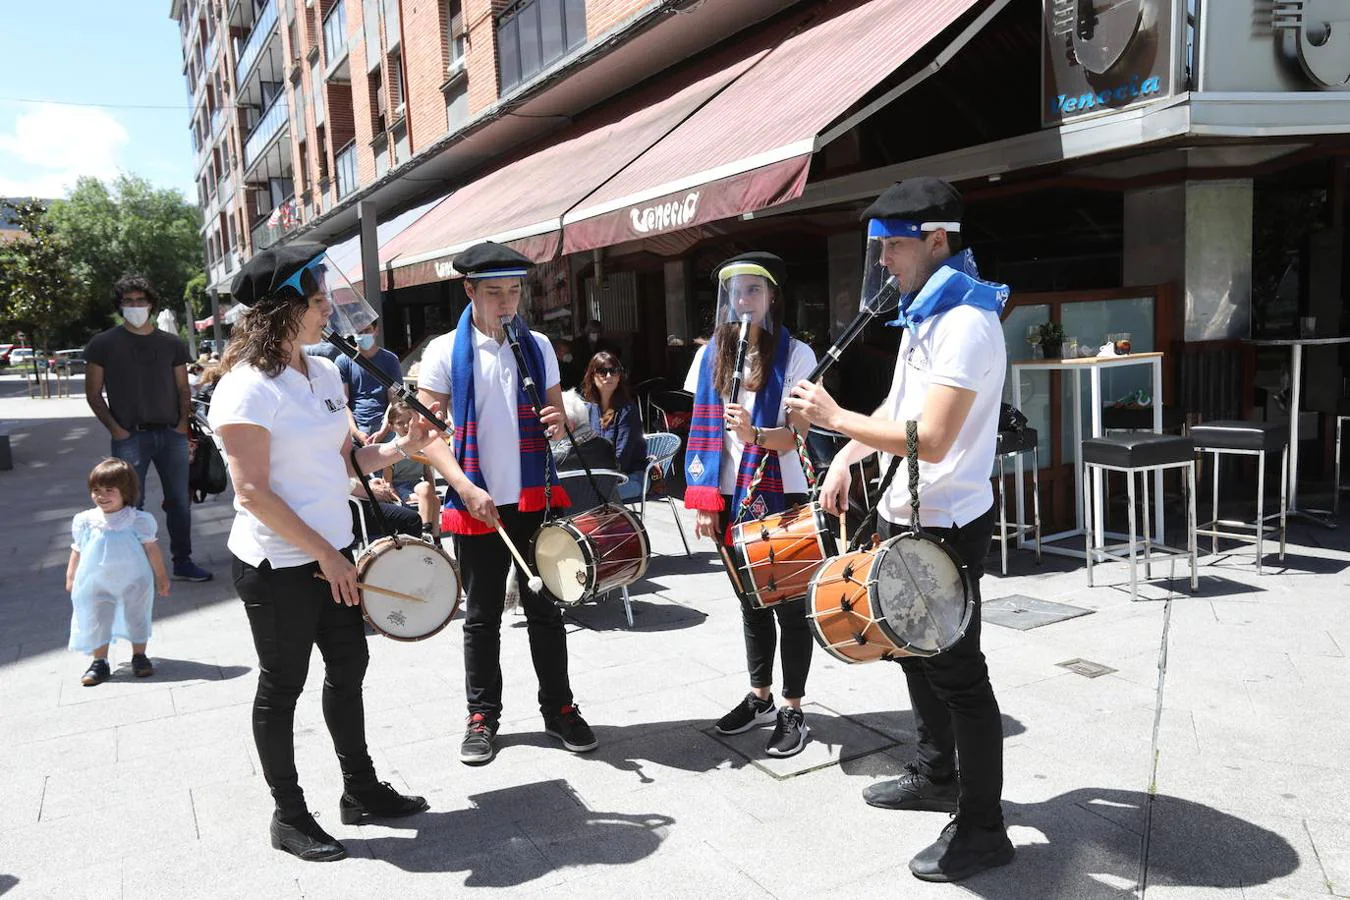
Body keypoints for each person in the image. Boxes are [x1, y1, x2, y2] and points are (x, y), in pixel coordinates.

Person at [785, 177, 1012, 883]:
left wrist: (833, 420)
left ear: (936, 239)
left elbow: (935, 438)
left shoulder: (968, 322)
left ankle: (984, 826)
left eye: (892, 246)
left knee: (959, 674)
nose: (881, 261)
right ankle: (937, 773)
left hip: (945, 524)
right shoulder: (928, 312)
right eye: (877, 247)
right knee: (912, 653)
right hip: (907, 513)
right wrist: (848, 457)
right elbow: (898, 403)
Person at [209, 242, 437, 862]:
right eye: (315, 302)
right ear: (279, 311)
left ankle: (359, 789)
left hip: (333, 550)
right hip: (276, 566)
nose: (326, 312)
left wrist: (398, 449)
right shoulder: (244, 389)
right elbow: (253, 492)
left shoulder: (327, 371)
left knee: (349, 670)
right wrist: (326, 557)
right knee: (283, 686)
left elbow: (343, 464)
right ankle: (289, 814)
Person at [417, 241, 596, 767]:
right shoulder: (443, 351)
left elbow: (558, 415)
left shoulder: (536, 344)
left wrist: (559, 422)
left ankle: (559, 707)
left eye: (514, 290)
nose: (506, 302)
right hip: (476, 500)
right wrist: (465, 487)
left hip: (535, 496)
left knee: (547, 608)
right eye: (493, 292)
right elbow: (426, 435)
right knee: (482, 615)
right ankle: (482, 716)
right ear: (469, 290)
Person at [682, 252, 819, 759]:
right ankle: (760, 696)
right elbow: (700, 431)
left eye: (754, 291)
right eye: (736, 292)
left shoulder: (798, 354)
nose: (744, 300)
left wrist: (755, 432)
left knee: (788, 603)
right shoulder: (711, 354)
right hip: (725, 494)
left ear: (772, 297)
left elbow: (798, 437)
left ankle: (793, 706)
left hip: (781, 493)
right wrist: (703, 501)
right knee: (750, 600)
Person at [84, 274, 213, 582]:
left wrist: (182, 425)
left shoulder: (171, 344)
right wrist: (116, 430)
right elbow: (93, 393)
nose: (134, 306)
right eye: (127, 301)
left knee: (180, 501)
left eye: (140, 300)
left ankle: (183, 561)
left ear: (151, 304)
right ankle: (133, 566)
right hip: (129, 436)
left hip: (171, 434)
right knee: (129, 503)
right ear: (120, 306)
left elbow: (184, 388)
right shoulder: (102, 344)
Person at [65, 458, 170, 686]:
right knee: (98, 618)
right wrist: (71, 576)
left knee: (137, 615)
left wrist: (161, 577)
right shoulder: (85, 521)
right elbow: (77, 549)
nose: (101, 496)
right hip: (96, 581)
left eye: (109, 490)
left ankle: (139, 656)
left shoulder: (138, 520)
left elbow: (152, 549)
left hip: (134, 580)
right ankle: (99, 661)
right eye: (96, 490)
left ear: (126, 491)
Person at [580, 351, 647, 479]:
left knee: (587, 497)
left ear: (619, 376)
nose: (609, 376)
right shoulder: (588, 409)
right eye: (602, 371)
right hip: (600, 477)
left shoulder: (627, 410)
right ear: (592, 376)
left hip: (630, 476)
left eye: (614, 370)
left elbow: (622, 457)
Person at [381, 398, 441, 538]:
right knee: (427, 492)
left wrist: (432, 493)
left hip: (416, 484)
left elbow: (427, 473)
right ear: (391, 426)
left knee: (434, 497)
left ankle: (435, 538)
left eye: (408, 421)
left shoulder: (421, 444)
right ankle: (425, 532)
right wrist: (398, 502)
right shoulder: (391, 449)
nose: (406, 426)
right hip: (399, 488)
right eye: (400, 423)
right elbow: (388, 482)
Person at [337, 320, 403, 442]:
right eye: (359, 332)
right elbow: (342, 404)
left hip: (386, 426)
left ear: (376, 330)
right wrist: (356, 433)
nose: (363, 335)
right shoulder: (343, 361)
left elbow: (394, 401)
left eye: (367, 330)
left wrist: (382, 432)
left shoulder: (390, 360)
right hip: (354, 428)